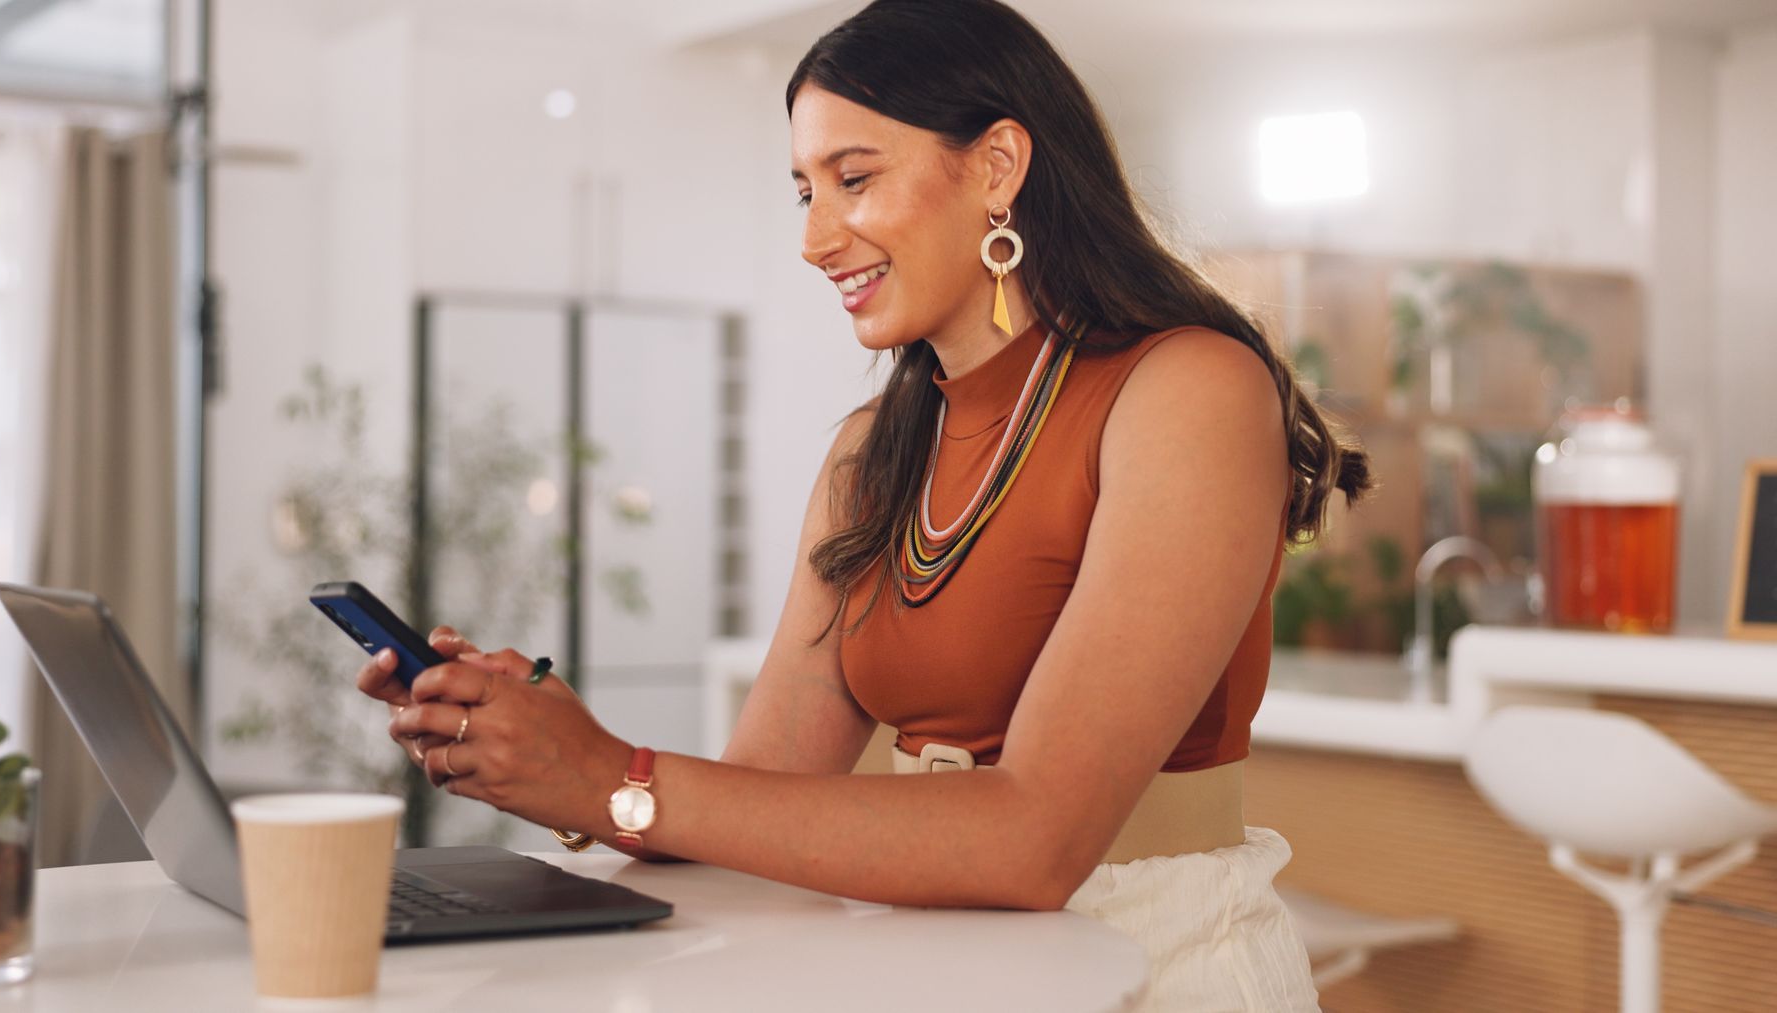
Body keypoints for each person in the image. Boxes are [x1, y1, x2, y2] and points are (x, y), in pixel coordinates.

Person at [358, 0, 1370, 1007]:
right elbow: (748, 816)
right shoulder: (868, 457)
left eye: (854, 178)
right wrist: (541, 756)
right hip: (936, 969)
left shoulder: (1189, 388)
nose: (814, 237)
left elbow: (1034, 840)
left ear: (997, 168)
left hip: (1161, 962)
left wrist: (609, 772)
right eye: (803, 189)